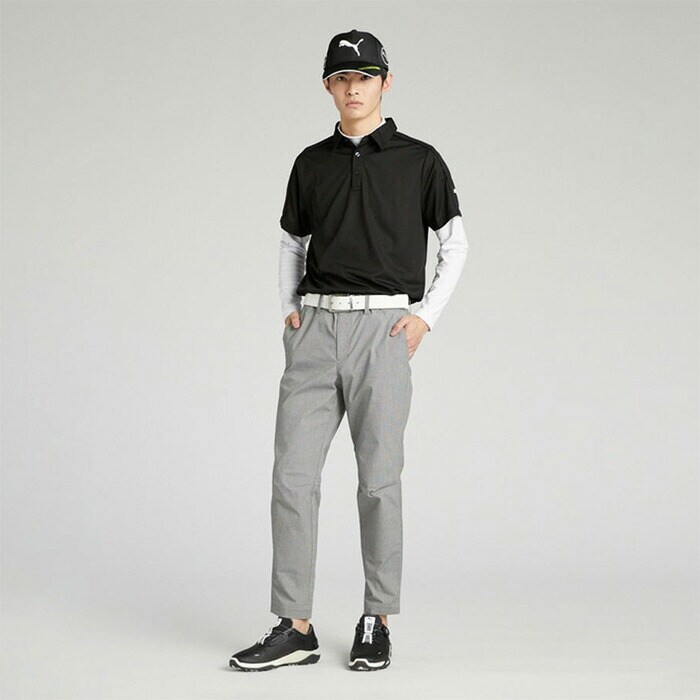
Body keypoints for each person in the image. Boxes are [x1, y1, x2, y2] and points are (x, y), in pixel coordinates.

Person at [229, 28, 468, 673]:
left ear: (385, 82)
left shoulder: (420, 160)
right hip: (316, 329)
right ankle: (295, 626)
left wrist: (424, 319)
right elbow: (292, 241)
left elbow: (455, 243)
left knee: (378, 480)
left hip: (384, 331)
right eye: (341, 78)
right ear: (329, 87)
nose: (352, 87)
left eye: (364, 76)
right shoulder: (312, 162)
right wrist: (289, 308)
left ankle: (376, 618)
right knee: (292, 477)